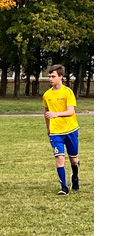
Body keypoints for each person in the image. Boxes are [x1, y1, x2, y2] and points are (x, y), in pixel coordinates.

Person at [42, 64, 80, 195]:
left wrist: (56, 114)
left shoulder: (67, 92)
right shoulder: (47, 95)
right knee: (59, 158)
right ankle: (64, 187)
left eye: (53, 76)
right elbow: (46, 113)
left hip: (70, 130)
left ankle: (75, 176)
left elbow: (70, 111)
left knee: (74, 160)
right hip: (56, 132)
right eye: (49, 76)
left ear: (61, 77)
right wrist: (48, 128)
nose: (50, 79)